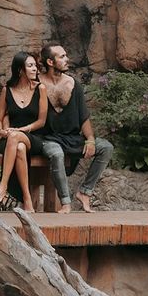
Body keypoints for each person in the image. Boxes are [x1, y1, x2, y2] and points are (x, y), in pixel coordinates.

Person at [40, 43, 113, 213]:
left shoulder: (73, 84)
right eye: (62, 56)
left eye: (66, 56)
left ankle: (85, 192)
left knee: (106, 148)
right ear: (50, 62)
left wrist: (90, 139)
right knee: (57, 153)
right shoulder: (37, 84)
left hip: (72, 138)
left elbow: (83, 117)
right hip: (48, 139)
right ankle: (66, 203)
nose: (67, 60)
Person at [0, 51, 47, 212]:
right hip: (10, 140)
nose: (35, 69)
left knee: (17, 138)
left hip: (33, 137)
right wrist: (1, 131)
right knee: (18, 147)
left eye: (35, 65)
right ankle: (27, 200)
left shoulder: (40, 88)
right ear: (20, 70)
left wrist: (21, 130)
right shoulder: (7, 90)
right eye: (30, 66)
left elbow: (42, 121)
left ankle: (3, 186)